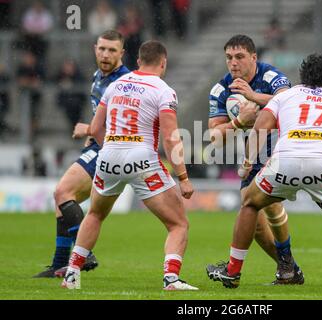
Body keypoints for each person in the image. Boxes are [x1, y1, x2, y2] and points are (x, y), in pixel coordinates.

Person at [207, 54, 322, 291]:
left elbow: (260, 127)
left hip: (286, 160)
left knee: (250, 204)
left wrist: (247, 163)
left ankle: (232, 271)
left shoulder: (286, 96)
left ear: (304, 76)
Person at [61, 40, 198, 291]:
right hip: (141, 158)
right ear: (163, 62)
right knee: (178, 224)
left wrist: (110, 146)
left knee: (95, 214)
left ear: (138, 61)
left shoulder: (115, 85)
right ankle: (171, 278)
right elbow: (170, 137)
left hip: (109, 156)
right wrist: (183, 177)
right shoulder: (163, 89)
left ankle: (72, 273)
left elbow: (95, 128)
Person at [33, 30, 130, 278]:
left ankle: (83, 253)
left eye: (112, 50)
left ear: (122, 53)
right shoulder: (98, 76)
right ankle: (59, 264)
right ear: (95, 49)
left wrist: (88, 128)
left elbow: (125, 126)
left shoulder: (125, 83)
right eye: (102, 49)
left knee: (62, 192)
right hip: (99, 146)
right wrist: (92, 131)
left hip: (114, 150)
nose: (106, 54)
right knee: (64, 199)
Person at [207, 34, 303, 285]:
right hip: (252, 154)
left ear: (254, 57)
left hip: (281, 150)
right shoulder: (220, 89)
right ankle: (289, 267)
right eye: (229, 57)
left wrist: (252, 96)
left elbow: (291, 101)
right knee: (256, 221)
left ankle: (236, 270)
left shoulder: (271, 77)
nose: (233, 63)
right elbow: (215, 138)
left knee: (261, 205)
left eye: (239, 57)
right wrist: (238, 122)